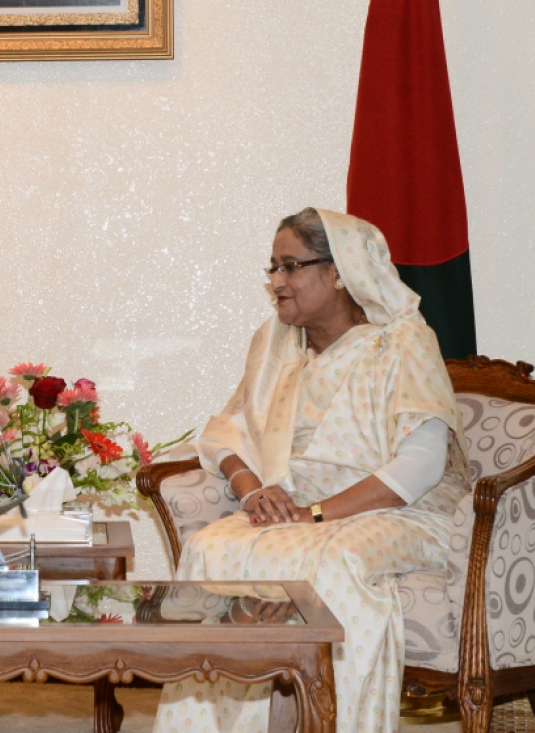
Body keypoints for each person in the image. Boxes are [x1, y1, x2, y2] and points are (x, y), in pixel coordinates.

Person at [153, 208, 470, 733]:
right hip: (291, 509)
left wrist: (314, 515)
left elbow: (420, 466)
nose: (277, 282)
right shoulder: (274, 344)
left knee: (333, 559)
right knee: (210, 546)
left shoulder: (403, 341)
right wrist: (253, 491)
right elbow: (224, 433)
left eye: (291, 266)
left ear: (340, 270)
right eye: (272, 268)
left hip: (401, 510)